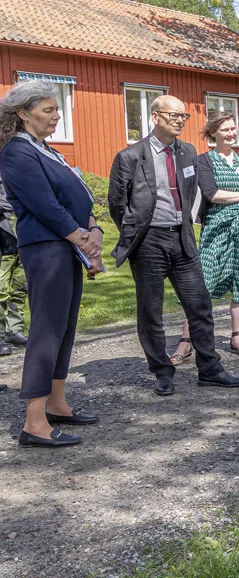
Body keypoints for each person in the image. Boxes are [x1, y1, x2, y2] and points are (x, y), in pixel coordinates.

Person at [108, 95, 239, 396]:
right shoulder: (130, 156)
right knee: (151, 311)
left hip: (182, 238)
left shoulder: (187, 152)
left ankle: (209, 368)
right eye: (174, 115)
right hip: (148, 242)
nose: (180, 121)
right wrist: (136, 229)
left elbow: (189, 192)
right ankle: (162, 372)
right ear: (155, 116)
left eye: (184, 116)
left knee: (200, 305)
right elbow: (117, 204)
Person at [0, 80, 103, 447]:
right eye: (48, 110)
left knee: (65, 329)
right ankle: (34, 423)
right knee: (46, 331)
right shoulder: (17, 152)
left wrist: (95, 229)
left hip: (67, 246)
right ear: (23, 114)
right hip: (45, 249)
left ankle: (57, 405)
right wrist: (85, 242)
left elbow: (79, 198)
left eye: (57, 109)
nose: (56, 116)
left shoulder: (48, 151)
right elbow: (45, 206)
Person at [170, 112, 239, 363]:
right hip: (217, 224)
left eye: (233, 128)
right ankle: (187, 339)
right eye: (225, 129)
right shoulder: (205, 160)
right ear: (213, 133)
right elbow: (212, 194)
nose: (231, 133)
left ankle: (237, 337)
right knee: (202, 281)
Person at [0, 177, 24, 355]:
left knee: (21, 287)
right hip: (4, 242)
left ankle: (14, 329)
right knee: (1, 290)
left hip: (22, 239)